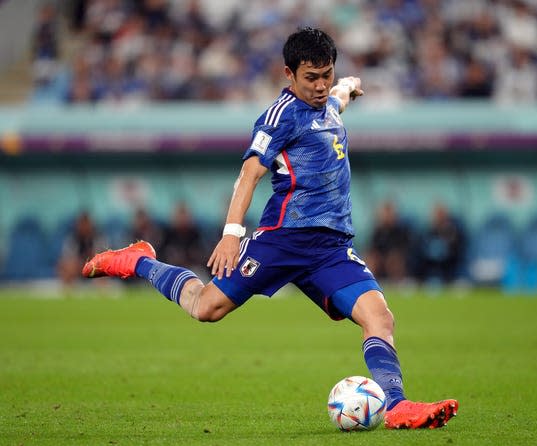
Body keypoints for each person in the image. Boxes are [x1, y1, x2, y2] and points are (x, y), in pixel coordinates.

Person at [81, 27, 458, 429]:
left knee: (380, 318)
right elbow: (249, 173)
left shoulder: (329, 100)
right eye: (310, 78)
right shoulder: (280, 116)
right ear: (288, 74)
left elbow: (337, 100)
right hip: (282, 241)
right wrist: (231, 234)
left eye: (326, 74)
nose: (319, 85)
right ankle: (139, 261)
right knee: (205, 308)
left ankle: (398, 406)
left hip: (330, 248)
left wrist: (347, 86)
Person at [414, 203, 464, 285]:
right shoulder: (427, 232)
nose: (439, 217)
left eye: (441, 214)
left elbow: (456, 253)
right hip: (429, 270)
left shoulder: (453, 231)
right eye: (437, 214)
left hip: (448, 270)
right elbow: (421, 254)